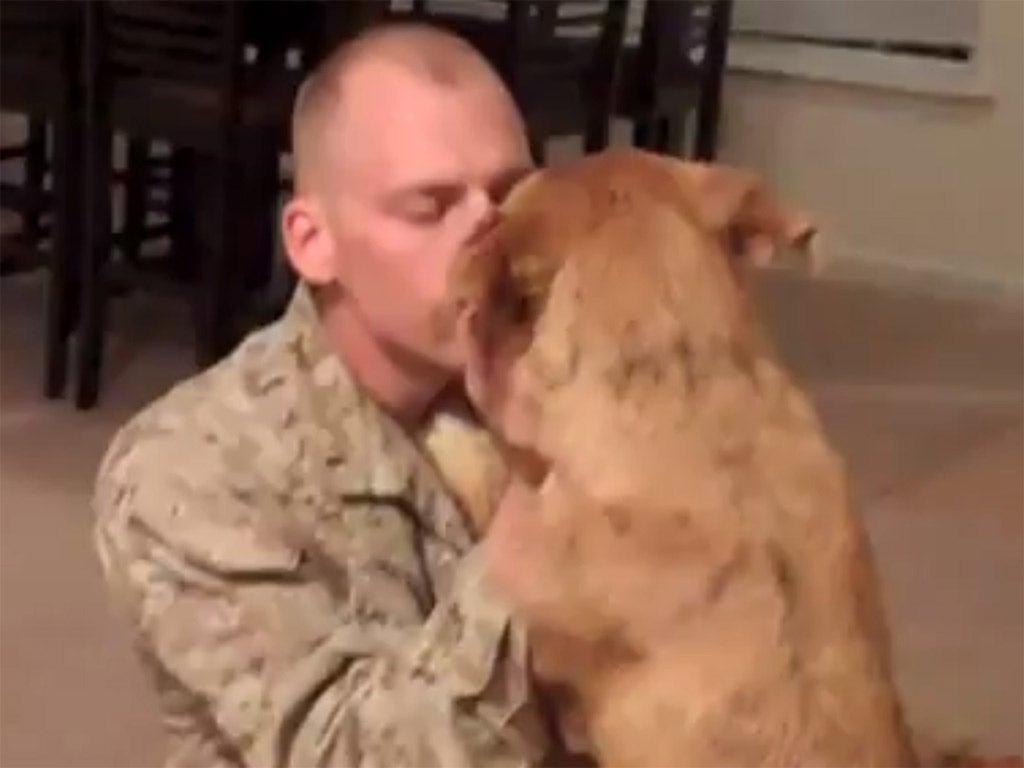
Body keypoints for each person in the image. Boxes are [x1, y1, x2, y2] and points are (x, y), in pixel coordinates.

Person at [93, 23, 564, 768]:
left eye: (509, 196)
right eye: (430, 207)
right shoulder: (189, 470)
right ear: (314, 241)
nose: (493, 243)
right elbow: (352, 754)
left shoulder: (558, 374)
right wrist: (562, 500)